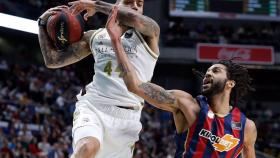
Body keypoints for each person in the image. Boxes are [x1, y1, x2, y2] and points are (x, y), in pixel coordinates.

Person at [106, 6, 257, 158]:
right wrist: (116, 41)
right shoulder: (187, 104)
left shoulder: (247, 127)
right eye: (207, 72)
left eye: (215, 71)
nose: (208, 74)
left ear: (230, 83)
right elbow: (135, 85)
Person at [37, 0, 160, 157]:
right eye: (129, 2)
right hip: (94, 106)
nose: (135, 6)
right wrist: (41, 24)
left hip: (128, 119)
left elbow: (133, 18)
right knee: (88, 147)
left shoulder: (150, 34)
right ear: (117, 3)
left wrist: (96, 5)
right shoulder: (95, 36)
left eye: (140, 3)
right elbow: (53, 60)